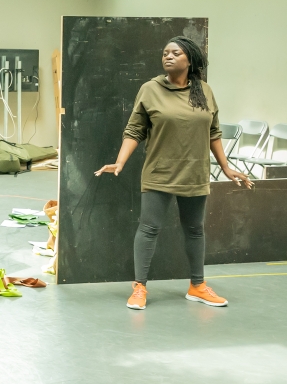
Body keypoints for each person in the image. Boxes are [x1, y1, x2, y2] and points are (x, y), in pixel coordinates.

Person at [95, 36, 252, 311]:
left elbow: (213, 131)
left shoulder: (204, 90)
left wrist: (226, 167)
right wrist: (120, 162)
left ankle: (197, 286)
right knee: (149, 228)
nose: (167, 56)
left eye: (175, 53)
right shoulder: (150, 89)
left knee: (195, 230)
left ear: (189, 59)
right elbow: (134, 130)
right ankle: (139, 287)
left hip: (195, 172)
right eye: (165, 53)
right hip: (160, 171)